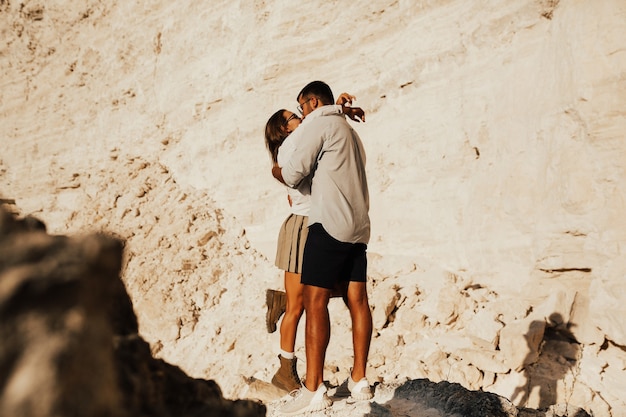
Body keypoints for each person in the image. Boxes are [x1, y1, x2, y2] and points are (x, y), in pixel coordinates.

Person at [272, 81, 373, 415]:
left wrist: (276, 169)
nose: (302, 114)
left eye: (302, 107)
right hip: (359, 228)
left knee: (315, 303)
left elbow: (292, 174)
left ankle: (314, 389)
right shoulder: (349, 131)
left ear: (313, 102)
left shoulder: (321, 124)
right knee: (358, 301)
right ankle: (360, 380)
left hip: (329, 225)